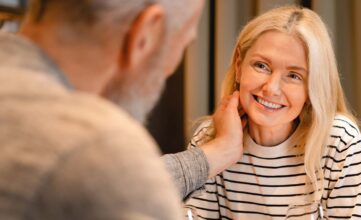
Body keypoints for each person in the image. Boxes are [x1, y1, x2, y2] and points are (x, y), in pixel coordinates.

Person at [0, 0, 245, 219]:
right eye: (182, 44)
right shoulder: (99, 147)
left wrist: (218, 152)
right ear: (147, 33)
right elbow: (110, 177)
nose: (170, 68)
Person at [185, 6, 361, 219]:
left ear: (313, 86)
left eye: (294, 76)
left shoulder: (339, 140)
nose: (271, 88)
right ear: (239, 66)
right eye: (261, 66)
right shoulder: (209, 138)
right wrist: (221, 148)